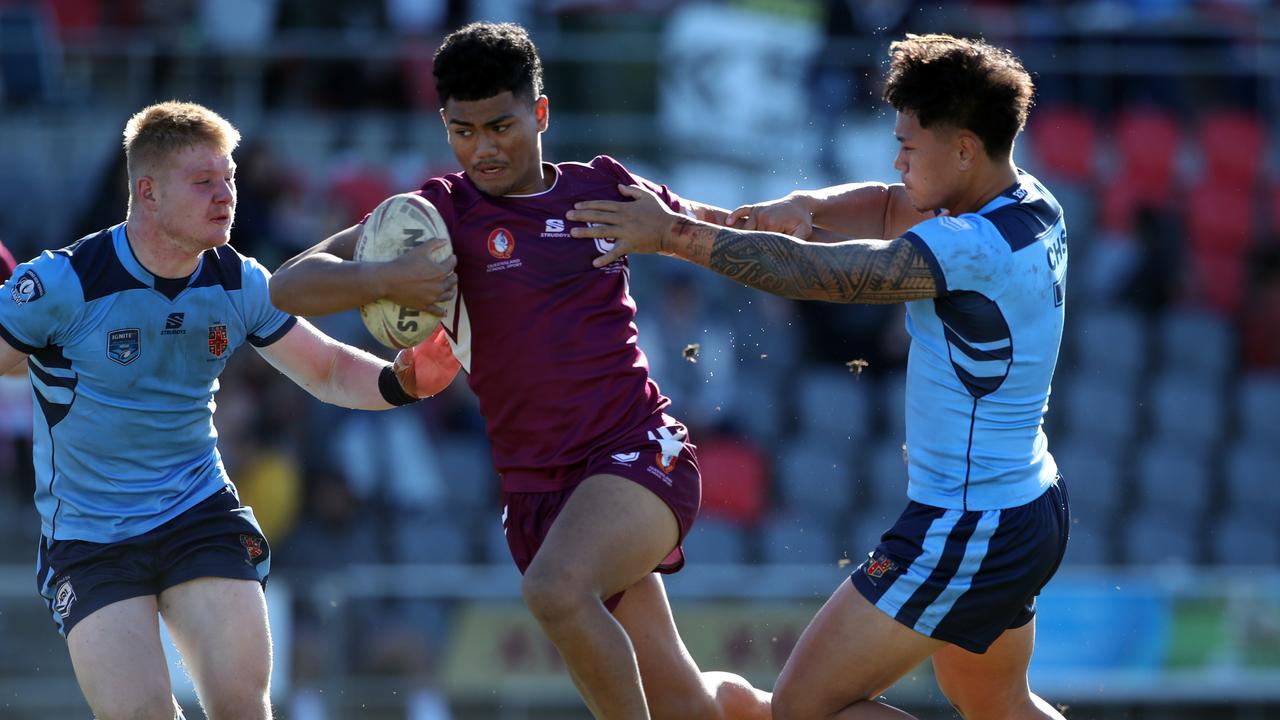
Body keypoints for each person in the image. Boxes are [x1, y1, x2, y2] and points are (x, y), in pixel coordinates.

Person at [269, 22, 771, 720]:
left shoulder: (601, 190)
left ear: (539, 112)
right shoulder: (439, 216)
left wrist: (808, 223)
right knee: (677, 692)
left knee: (556, 592)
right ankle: (764, 709)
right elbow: (289, 286)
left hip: (637, 454)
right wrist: (386, 276)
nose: (484, 147)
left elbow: (719, 228)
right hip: (539, 493)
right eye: (463, 130)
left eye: (501, 125)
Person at [570, 33, 1070, 720]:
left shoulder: (973, 246)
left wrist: (674, 236)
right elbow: (894, 205)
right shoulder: (1030, 203)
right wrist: (807, 206)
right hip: (1027, 505)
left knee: (802, 708)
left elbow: (832, 276)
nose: (896, 159)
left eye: (908, 146)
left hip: (969, 521)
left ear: (962, 149)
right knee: (995, 702)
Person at [0, 101, 453, 720]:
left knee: (243, 705)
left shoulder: (237, 280)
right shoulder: (65, 284)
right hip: (89, 539)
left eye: (231, 178)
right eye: (204, 182)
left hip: (197, 513)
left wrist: (400, 381)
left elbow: (323, 368)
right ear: (148, 193)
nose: (227, 195)